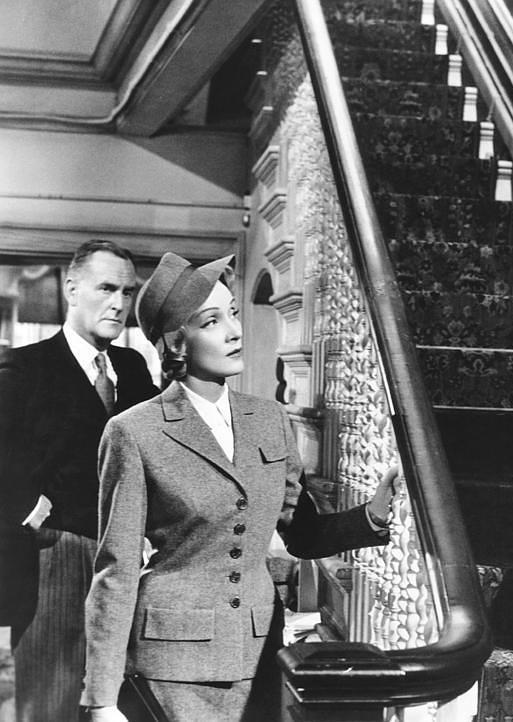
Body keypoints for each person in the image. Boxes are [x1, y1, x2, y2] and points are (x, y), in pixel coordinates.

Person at [79, 252, 396, 721]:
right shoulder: (133, 431)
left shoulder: (269, 419)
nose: (234, 330)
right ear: (176, 342)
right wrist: (102, 698)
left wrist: (371, 516)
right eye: (212, 321)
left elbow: (302, 534)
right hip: (174, 660)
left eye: (232, 312)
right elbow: (116, 569)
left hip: (259, 651)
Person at [0, 240, 158, 721]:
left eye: (127, 292)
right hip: (54, 558)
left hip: (126, 559)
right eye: (106, 288)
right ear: (72, 289)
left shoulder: (132, 368)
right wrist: (29, 510)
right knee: (50, 705)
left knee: (112, 704)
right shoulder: (24, 367)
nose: (119, 304)